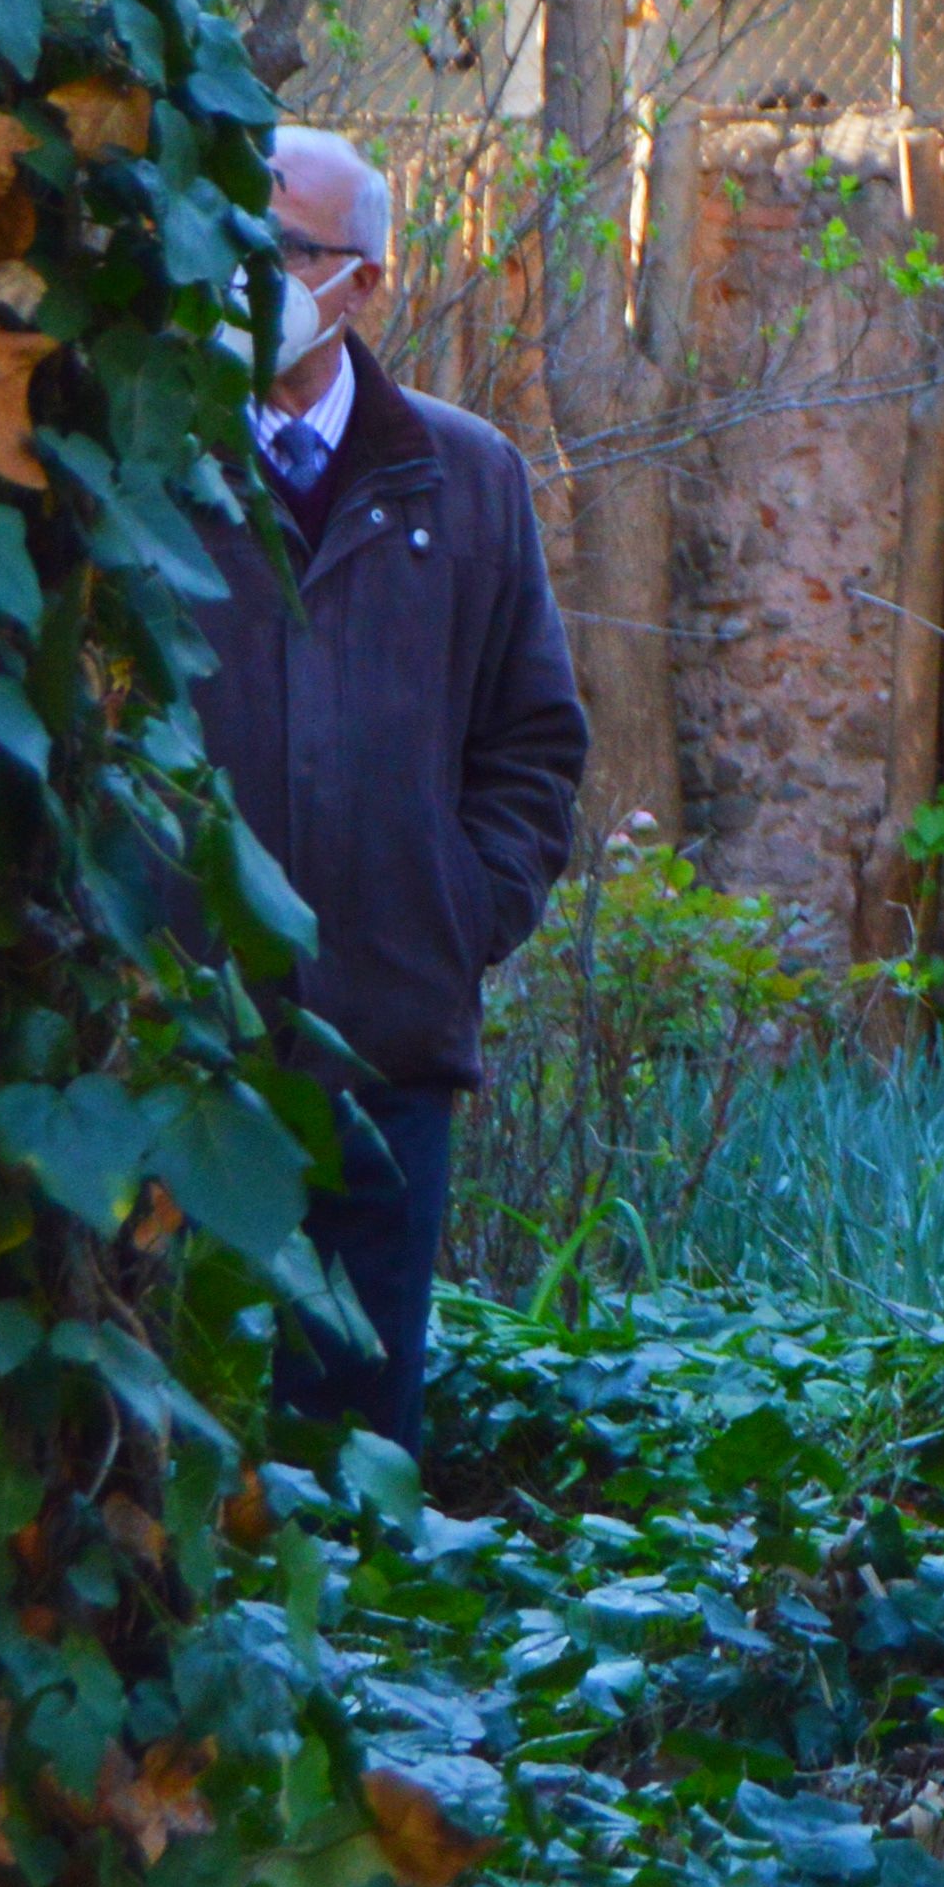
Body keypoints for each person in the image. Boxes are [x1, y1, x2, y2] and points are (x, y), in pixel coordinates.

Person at [187, 128, 589, 1457]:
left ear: (364, 282)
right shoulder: (148, 465)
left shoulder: (466, 480)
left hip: (385, 1054)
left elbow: (533, 742)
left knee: (357, 1454)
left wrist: (452, 915)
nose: (250, 272)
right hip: (184, 1046)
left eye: (286, 249)